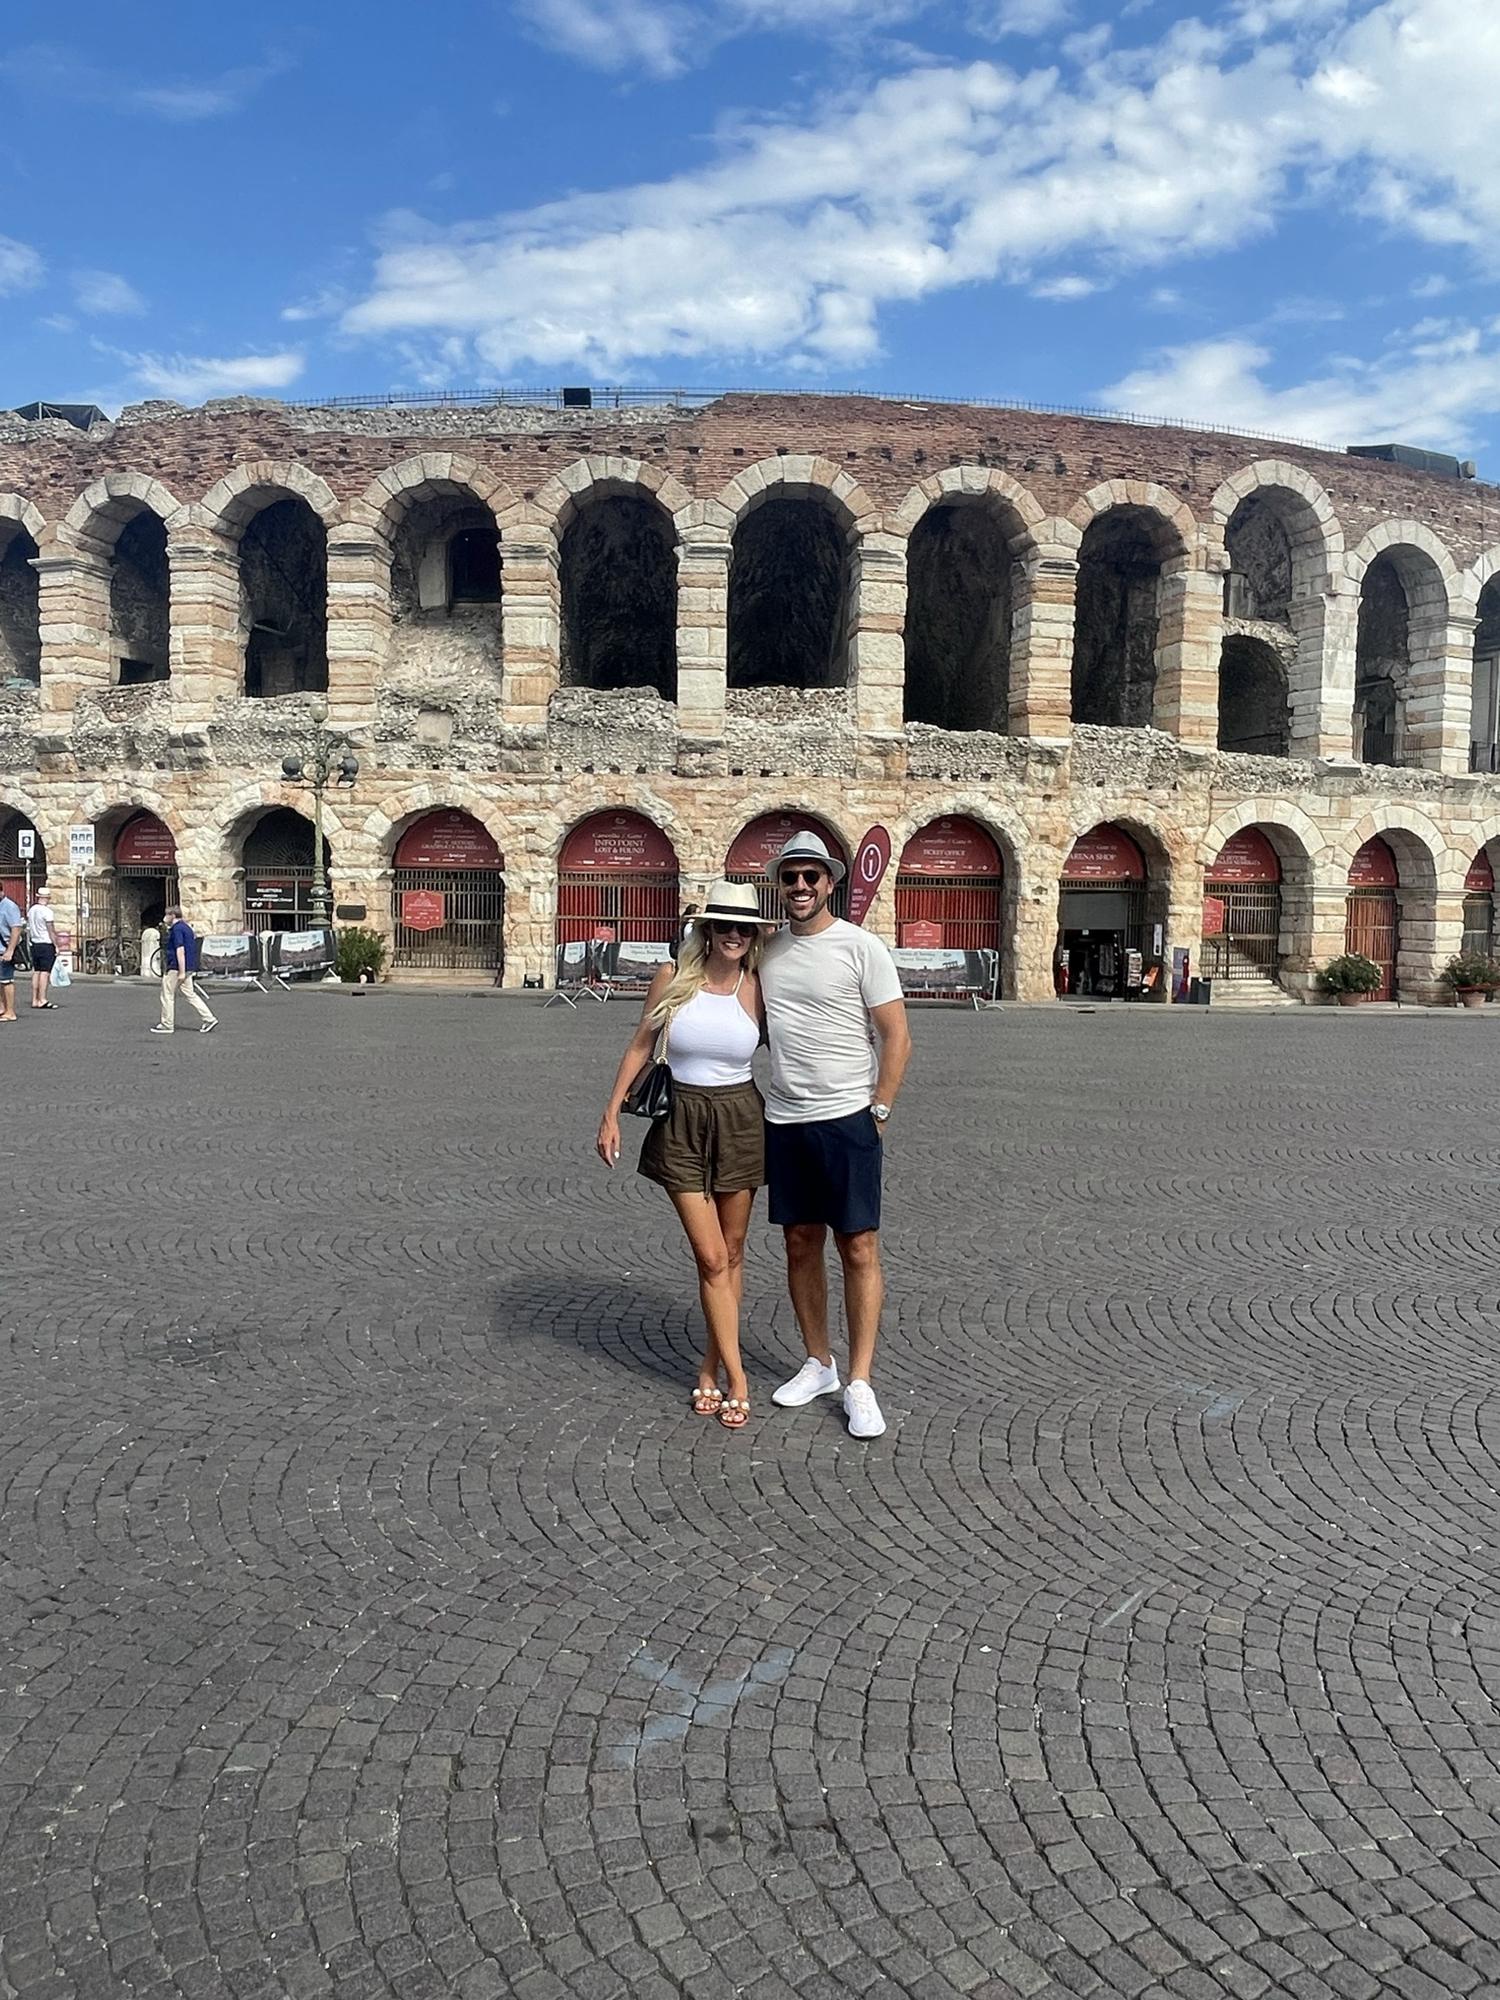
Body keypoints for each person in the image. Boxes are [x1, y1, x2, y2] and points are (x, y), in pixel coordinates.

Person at [597, 881, 776, 1430]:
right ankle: (739, 1378)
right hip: (681, 1118)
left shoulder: (758, 987)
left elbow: (798, 1044)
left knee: (735, 1251)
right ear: (707, 929)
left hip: (741, 1118)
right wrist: (610, 1113)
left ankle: (710, 1362)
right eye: (725, 925)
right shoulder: (673, 979)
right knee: (711, 1256)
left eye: (744, 927)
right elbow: (640, 1045)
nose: (735, 935)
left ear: (754, 935)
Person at [760, 831, 911, 1440]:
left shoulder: (861, 946)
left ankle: (860, 1381)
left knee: (858, 1247)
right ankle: (818, 1363)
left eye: (811, 877)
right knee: (800, 1242)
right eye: (790, 877)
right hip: (785, 1119)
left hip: (849, 1117)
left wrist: (879, 1109)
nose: (800, 886)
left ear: (831, 882)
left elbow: (896, 1036)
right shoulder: (766, 950)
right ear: (781, 884)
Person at [151, 905, 217, 1035]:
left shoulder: (176, 930)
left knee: (167, 994)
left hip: (176, 967)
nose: (165, 917)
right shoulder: (186, 928)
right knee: (189, 994)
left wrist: (181, 971)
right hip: (188, 966)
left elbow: (180, 950)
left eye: (167, 915)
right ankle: (209, 1018)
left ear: (172, 916)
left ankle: (167, 1024)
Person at [27, 887, 58, 1010]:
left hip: (35, 943)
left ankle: (35, 999)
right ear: (48, 898)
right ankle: (42, 999)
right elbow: (51, 930)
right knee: (45, 972)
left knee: (37, 971)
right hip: (46, 943)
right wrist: (56, 945)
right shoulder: (47, 912)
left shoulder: (32, 909)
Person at [0, 887, 22, 1024]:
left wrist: (10, 950)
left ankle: (10, 1011)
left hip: (4, 950)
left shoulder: (10, 906)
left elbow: (16, 929)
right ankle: (2, 1007)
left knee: (6, 980)